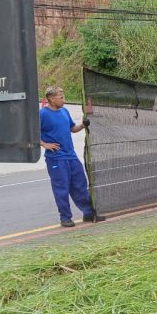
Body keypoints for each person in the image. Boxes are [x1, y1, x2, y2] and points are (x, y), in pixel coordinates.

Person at [40, 86, 104, 227]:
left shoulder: (64, 111)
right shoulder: (42, 114)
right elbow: (31, 133)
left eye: (64, 97)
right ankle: (65, 218)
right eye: (61, 97)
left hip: (71, 156)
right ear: (51, 99)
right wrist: (44, 144)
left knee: (80, 185)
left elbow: (72, 129)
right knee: (61, 188)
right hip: (56, 158)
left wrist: (83, 125)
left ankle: (88, 213)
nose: (64, 100)